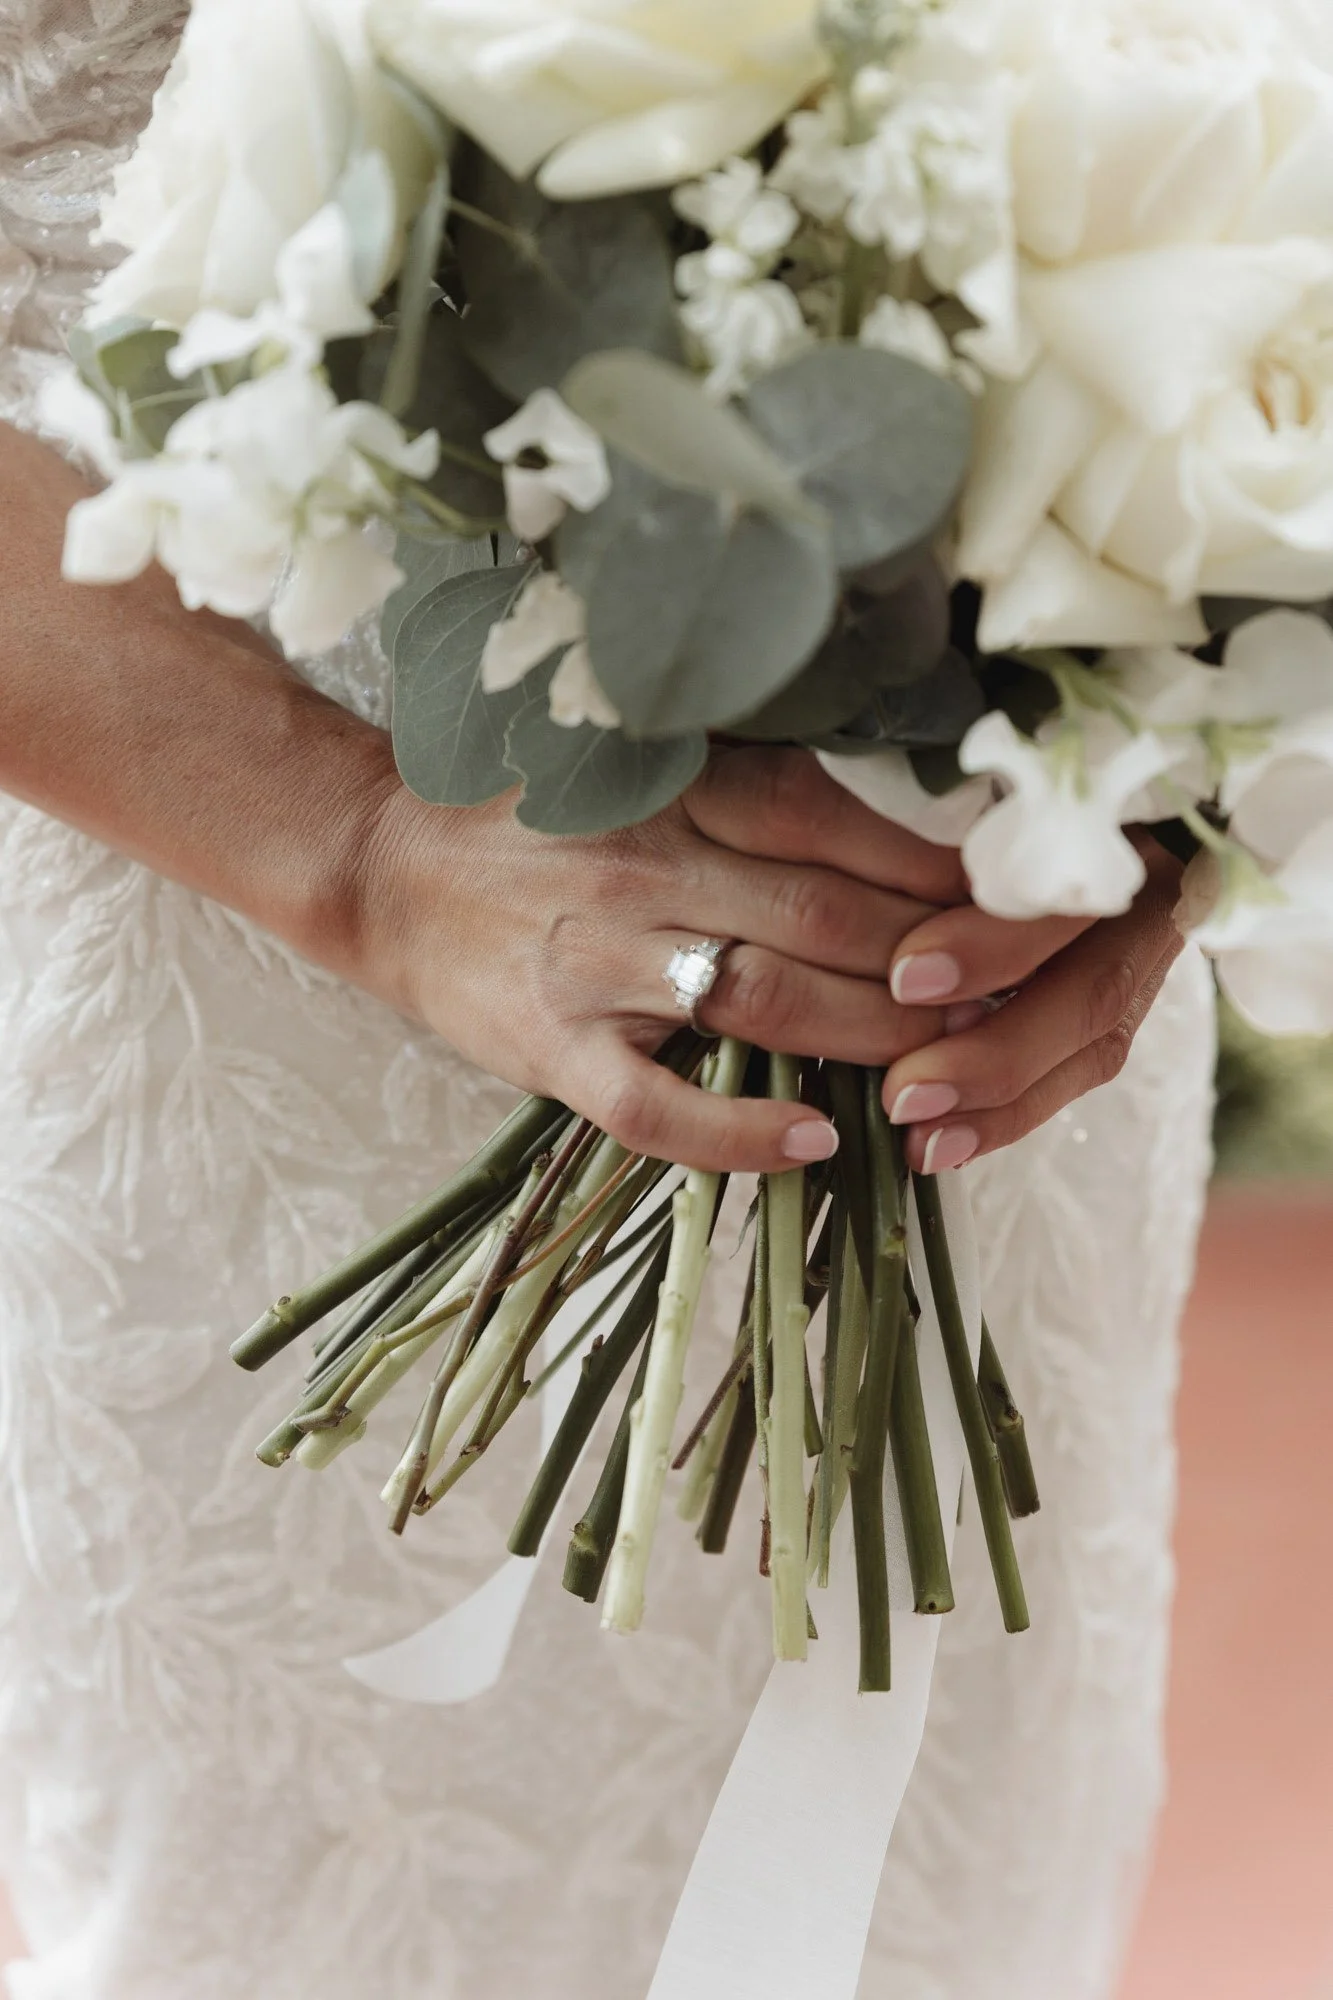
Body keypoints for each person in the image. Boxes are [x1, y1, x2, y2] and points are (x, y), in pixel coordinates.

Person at [0, 7, 1215, 1996]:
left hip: (981, 841)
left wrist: (1171, 748)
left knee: (961, 1880)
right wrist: (355, 844)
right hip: (218, 914)